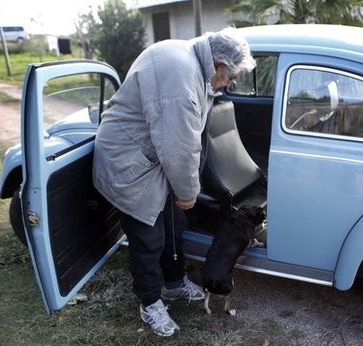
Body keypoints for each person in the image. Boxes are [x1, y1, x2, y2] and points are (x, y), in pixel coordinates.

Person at [92, 27, 255, 337]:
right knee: (148, 238)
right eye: (230, 76)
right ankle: (150, 302)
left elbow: (186, 142)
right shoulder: (181, 78)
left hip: (153, 161)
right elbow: (179, 148)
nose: (231, 84)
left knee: (175, 225)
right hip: (129, 166)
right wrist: (188, 191)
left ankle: (173, 283)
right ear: (219, 63)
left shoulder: (196, 66)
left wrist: (184, 190)